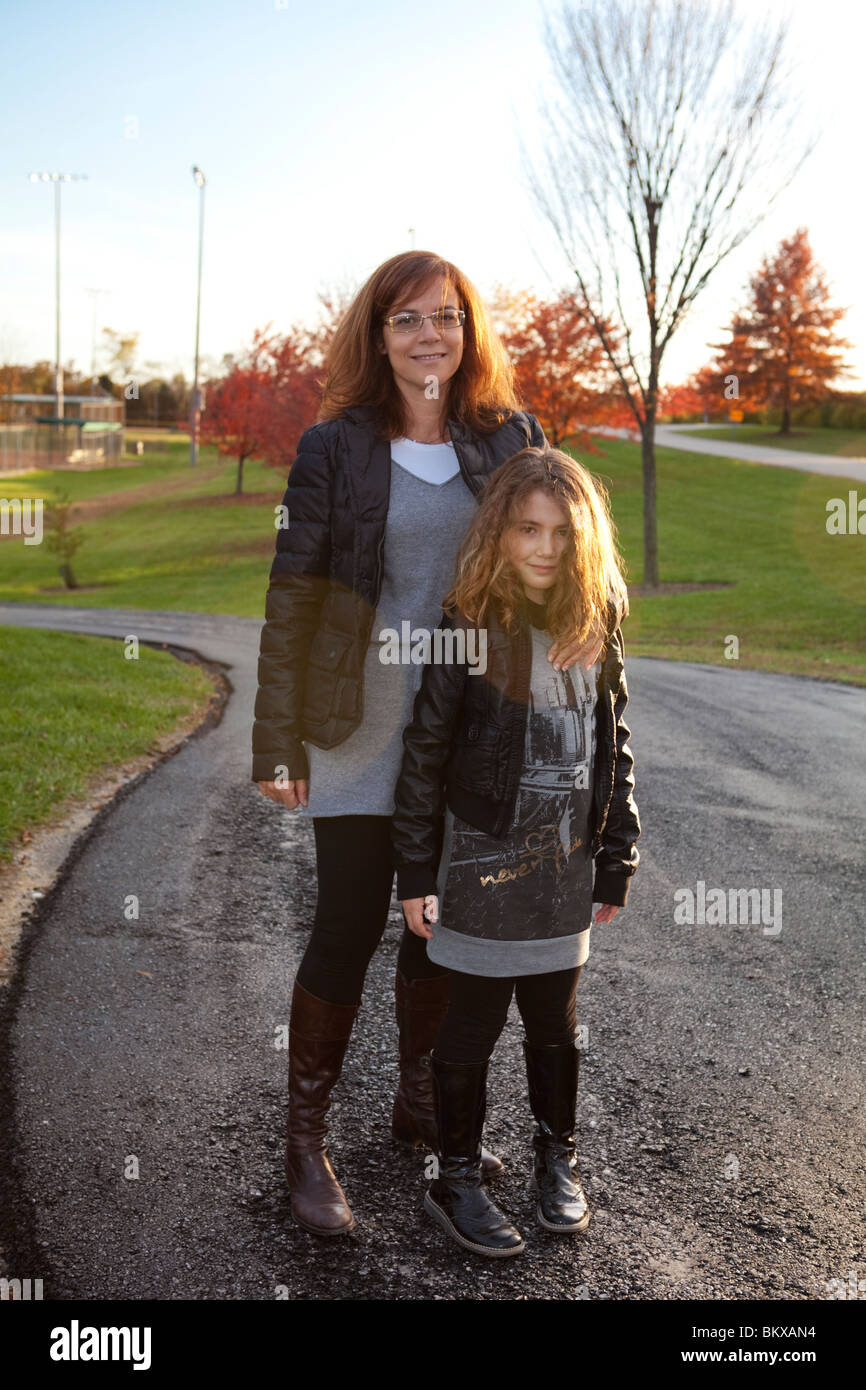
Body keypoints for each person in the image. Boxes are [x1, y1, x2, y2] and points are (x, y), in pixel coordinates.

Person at [252, 251, 603, 1238]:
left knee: (438, 920)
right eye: (405, 319)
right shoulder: (334, 448)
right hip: (358, 723)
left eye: (445, 317)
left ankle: (417, 1099)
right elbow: (295, 596)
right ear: (377, 335)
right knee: (351, 916)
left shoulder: (507, 438)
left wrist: (583, 618)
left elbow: (565, 547)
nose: (428, 336)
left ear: (467, 329)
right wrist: (276, 732)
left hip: (470, 729)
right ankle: (303, 1141)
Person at [391, 445, 641, 1258]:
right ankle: (455, 1176)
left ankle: (555, 1160)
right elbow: (424, 754)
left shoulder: (594, 626)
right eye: (527, 529)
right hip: (479, 867)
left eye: (562, 534)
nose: (543, 547)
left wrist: (617, 854)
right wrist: (417, 874)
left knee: (555, 1027)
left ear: (584, 541)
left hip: (564, 867)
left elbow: (613, 748)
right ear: (498, 533)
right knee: (471, 1026)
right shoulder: (466, 626)